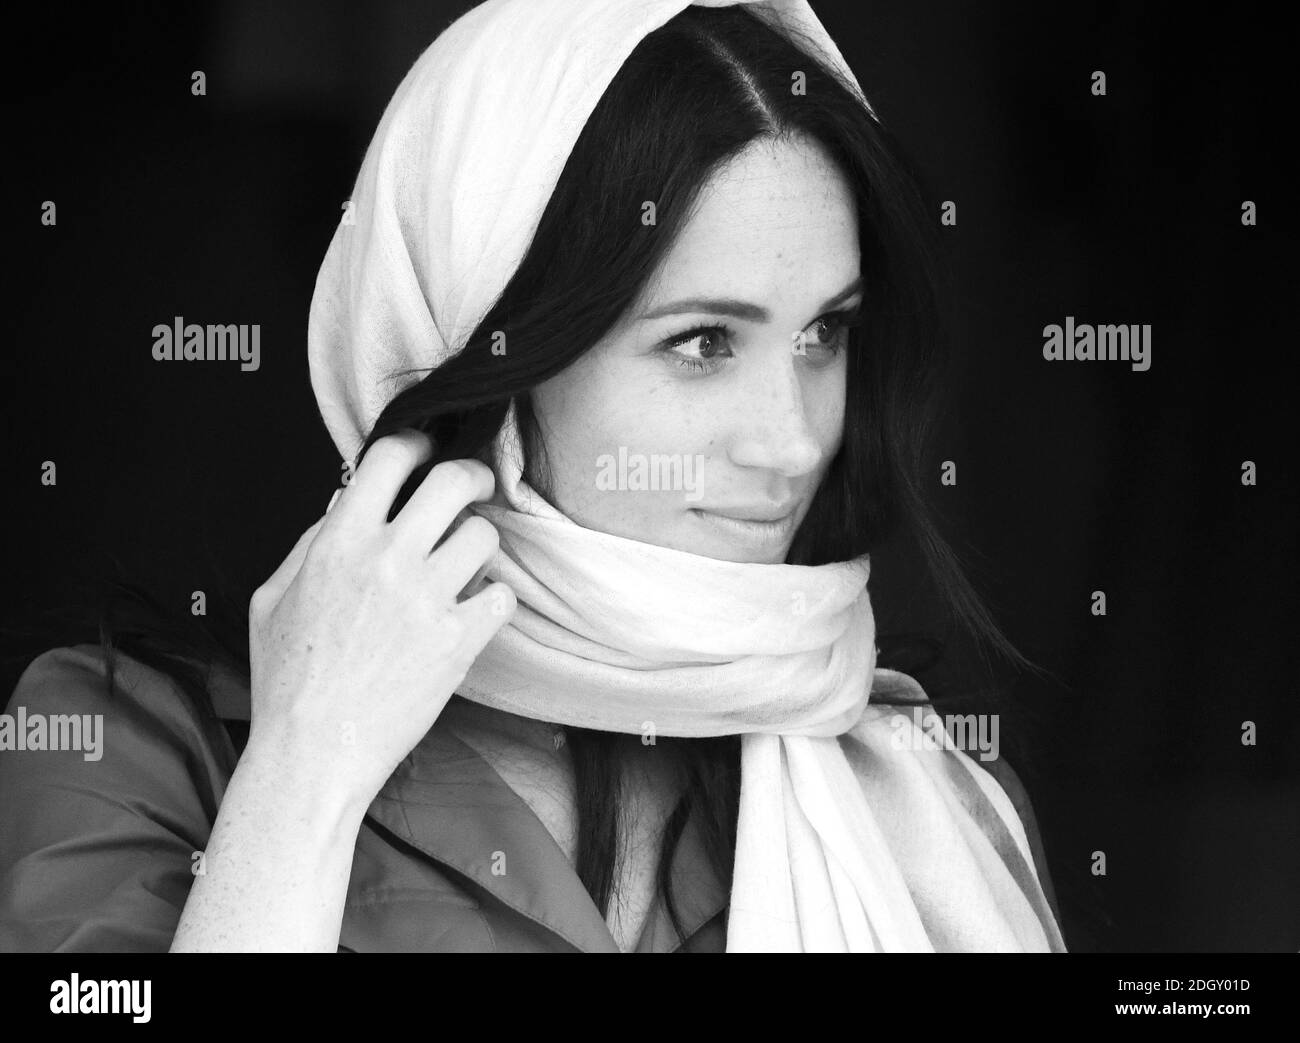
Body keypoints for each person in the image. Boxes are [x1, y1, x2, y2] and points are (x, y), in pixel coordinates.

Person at [0, 0, 1067, 952]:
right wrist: (304, 768)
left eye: (824, 332)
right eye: (701, 343)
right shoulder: (130, 750)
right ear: (480, 351)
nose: (791, 441)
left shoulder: (915, 791)